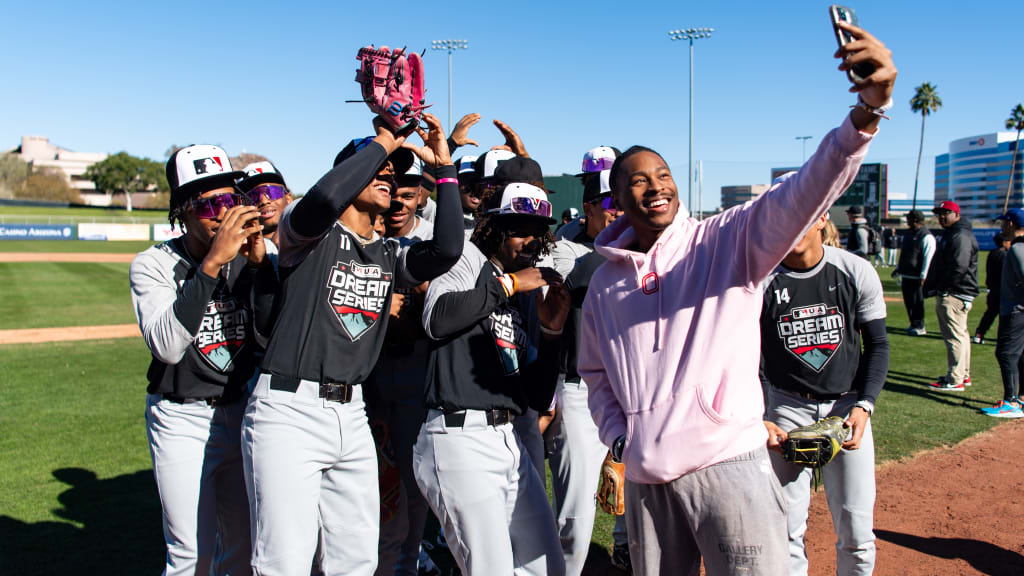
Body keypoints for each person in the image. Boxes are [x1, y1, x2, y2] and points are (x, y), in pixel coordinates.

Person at [579, 21, 895, 576]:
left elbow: (802, 190)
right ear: (618, 198)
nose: (655, 185)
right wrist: (621, 438)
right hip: (650, 481)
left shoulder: (724, 242)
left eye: (663, 173)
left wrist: (865, 116)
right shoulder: (606, 283)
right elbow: (595, 372)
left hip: (730, 464)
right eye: (637, 179)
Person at [241, 113, 463, 576]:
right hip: (288, 410)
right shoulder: (304, 235)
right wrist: (386, 139)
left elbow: (445, 250)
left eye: (392, 171)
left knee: (357, 557)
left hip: (352, 413)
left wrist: (444, 171)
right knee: (285, 559)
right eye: (378, 169)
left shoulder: (388, 252)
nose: (388, 176)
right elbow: (323, 197)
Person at [130, 144, 277, 575]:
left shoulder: (251, 256)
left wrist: (259, 269)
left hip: (242, 409)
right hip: (182, 419)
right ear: (182, 211)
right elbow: (168, 346)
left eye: (231, 199)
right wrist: (213, 264)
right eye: (209, 204)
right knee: (191, 554)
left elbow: (271, 337)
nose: (223, 213)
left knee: (243, 547)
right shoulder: (153, 264)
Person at [415, 182, 570, 576]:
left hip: (508, 440)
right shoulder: (468, 259)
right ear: (492, 229)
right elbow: (438, 319)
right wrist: (509, 284)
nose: (531, 240)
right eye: (519, 228)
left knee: (546, 565)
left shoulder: (524, 290)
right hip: (458, 436)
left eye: (538, 230)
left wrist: (552, 334)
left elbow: (535, 394)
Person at [760, 210, 889, 576]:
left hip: (847, 409)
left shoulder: (854, 270)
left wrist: (865, 406)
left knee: (858, 533)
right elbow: (743, 355)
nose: (791, 227)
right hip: (786, 408)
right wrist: (761, 416)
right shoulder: (761, 281)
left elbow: (877, 346)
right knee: (784, 531)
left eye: (802, 215)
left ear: (821, 220)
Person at [544, 169, 630, 576]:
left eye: (623, 202)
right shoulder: (567, 252)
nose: (618, 212)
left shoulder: (646, 250)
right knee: (576, 519)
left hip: (635, 394)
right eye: (609, 204)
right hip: (581, 393)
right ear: (590, 208)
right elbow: (567, 275)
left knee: (641, 513)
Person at [925, 200, 979, 392]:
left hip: (955, 292)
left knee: (955, 337)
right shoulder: (956, 233)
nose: (941, 217)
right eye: (939, 213)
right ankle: (962, 375)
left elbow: (959, 266)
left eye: (946, 213)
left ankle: (955, 378)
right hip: (959, 291)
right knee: (961, 336)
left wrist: (944, 287)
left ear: (956, 215)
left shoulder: (959, 235)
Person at [982, 209, 1024, 417]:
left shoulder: (1018, 249)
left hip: (1016, 311)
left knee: (1006, 353)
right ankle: (1020, 399)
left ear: (1011, 224)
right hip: (1017, 310)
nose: (1001, 226)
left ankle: (1011, 401)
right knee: (1019, 354)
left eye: (1004, 222)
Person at [895, 210, 935, 336]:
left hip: (917, 276)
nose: (907, 222)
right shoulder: (909, 234)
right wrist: (898, 268)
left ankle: (919, 325)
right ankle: (913, 323)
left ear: (916, 220)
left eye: (909, 219)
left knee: (917, 301)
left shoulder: (926, 236)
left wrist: (924, 275)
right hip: (906, 274)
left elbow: (928, 257)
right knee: (909, 302)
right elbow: (904, 254)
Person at [973, 232, 1010, 344]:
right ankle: (1002, 338)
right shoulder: (1005, 256)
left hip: (992, 289)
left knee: (990, 314)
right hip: (1003, 291)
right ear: (1004, 243)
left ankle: (979, 334)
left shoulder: (992, 253)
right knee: (1005, 316)